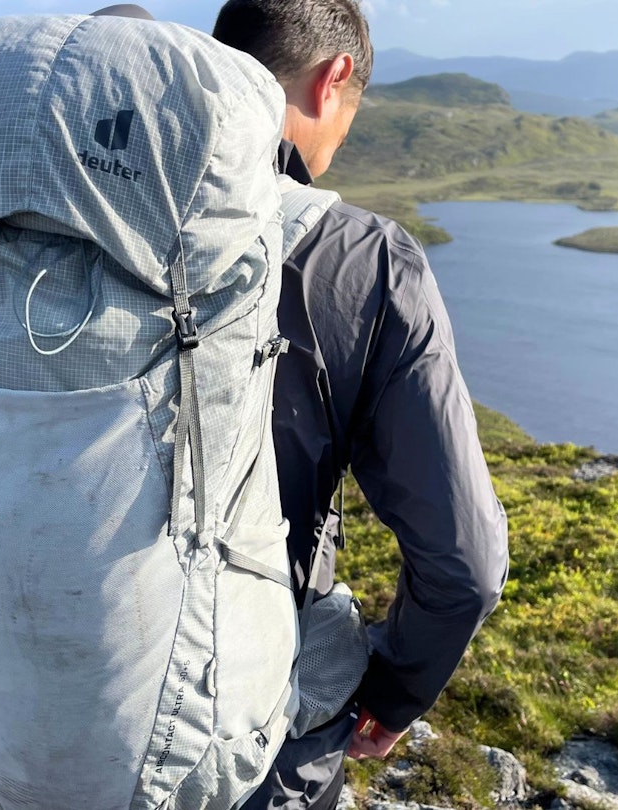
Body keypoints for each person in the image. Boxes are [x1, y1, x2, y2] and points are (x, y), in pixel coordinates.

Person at [208, 2, 511, 808]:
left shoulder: (68, 222)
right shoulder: (368, 261)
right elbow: (466, 566)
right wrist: (393, 694)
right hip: (249, 739)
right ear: (333, 77)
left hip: (35, 714)